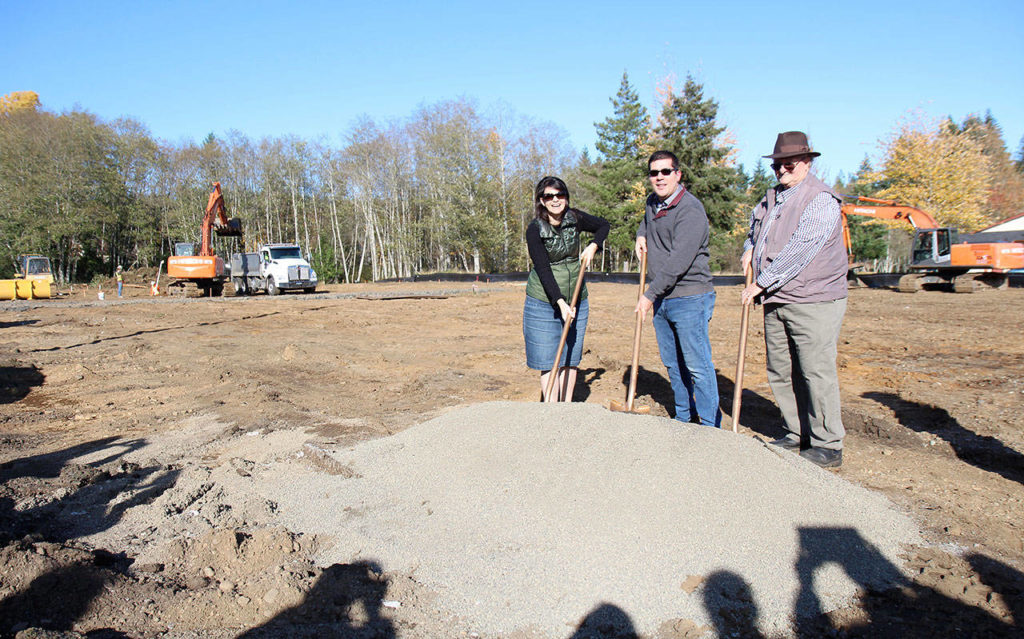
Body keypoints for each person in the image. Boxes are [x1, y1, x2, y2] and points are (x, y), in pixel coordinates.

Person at [740, 131, 848, 468]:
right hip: (777, 298)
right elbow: (754, 232)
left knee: (814, 369)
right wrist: (748, 249)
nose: (782, 170)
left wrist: (761, 283)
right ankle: (796, 431)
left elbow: (801, 249)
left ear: (807, 162)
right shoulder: (771, 197)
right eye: (777, 165)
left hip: (813, 299)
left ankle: (827, 444)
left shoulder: (820, 199)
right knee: (781, 368)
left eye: (789, 164)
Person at [635, 151, 721, 427]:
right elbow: (646, 221)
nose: (659, 177)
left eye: (665, 172)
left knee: (697, 365)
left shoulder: (690, 210)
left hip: (689, 296)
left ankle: (710, 427)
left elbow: (678, 262)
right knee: (673, 364)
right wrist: (640, 234)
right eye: (654, 173)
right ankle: (684, 418)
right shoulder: (653, 202)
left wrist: (649, 295)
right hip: (664, 297)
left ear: (677, 174)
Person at [524, 176, 610, 401]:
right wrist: (560, 303)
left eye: (560, 195)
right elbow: (543, 269)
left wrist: (594, 245)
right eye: (549, 196)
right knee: (548, 359)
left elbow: (603, 225)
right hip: (544, 300)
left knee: (570, 357)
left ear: (566, 197)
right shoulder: (534, 229)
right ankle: (552, 410)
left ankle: (567, 409)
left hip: (576, 297)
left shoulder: (575, 218)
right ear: (541, 201)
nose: (555, 200)